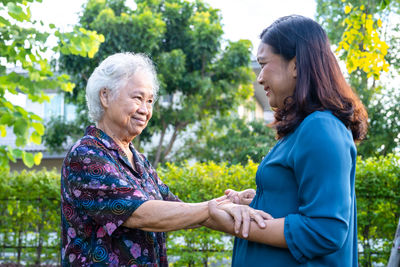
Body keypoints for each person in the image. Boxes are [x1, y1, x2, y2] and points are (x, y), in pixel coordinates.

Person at [60, 52, 271, 266]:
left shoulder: (139, 160)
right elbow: (141, 214)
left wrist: (230, 202)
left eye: (150, 101)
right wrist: (215, 206)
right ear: (105, 96)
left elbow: (178, 209)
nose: (145, 110)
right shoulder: (86, 154)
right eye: (137, 98)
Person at [208, 15, 368, 266]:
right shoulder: (305, 128)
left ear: (295, 65)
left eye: (264, 64)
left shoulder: (320, 127)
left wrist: (235, 224)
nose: (259, 78)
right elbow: (299, 203)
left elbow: (325, 230)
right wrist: (260, 199)